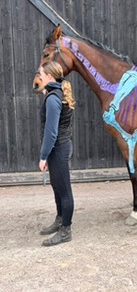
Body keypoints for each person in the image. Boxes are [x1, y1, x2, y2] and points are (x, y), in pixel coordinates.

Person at [36, 61, 75, 247]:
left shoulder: (53, 98)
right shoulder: (56, 93)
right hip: (59, 147)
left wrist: (43, 156)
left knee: (64, 190)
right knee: (57, 186)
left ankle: (66, 230)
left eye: (41, 74)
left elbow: (51, 132)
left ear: (50, 76)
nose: (39, 77)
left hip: (57, 148)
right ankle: (60, 219)